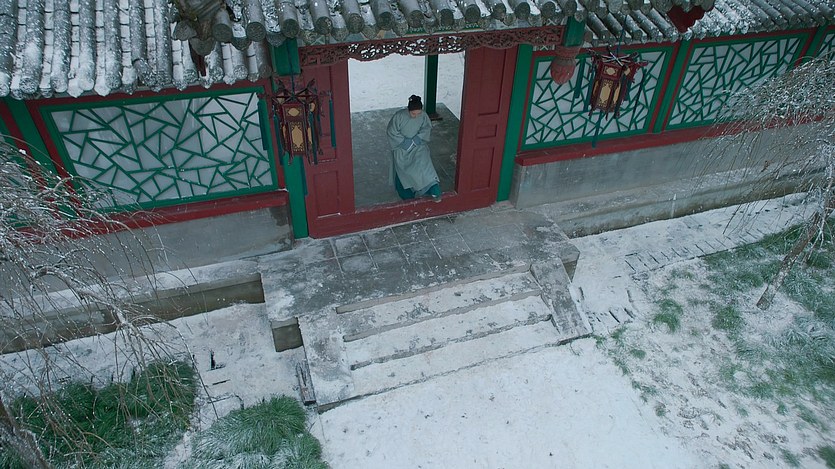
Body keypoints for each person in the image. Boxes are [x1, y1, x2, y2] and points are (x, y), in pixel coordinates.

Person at [386, 95, 442, 202]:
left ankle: (433, 189)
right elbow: (391, 131)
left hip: (418, 145)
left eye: (418, 113)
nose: (416, 116)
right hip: (402, 148)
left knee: (424, 166)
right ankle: (407, 195)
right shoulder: (399, 116)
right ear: (408, 110)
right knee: (403, 171)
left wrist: (418, 138)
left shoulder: (423, 116)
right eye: (413, 113)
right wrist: (404, 142)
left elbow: (427, 127)